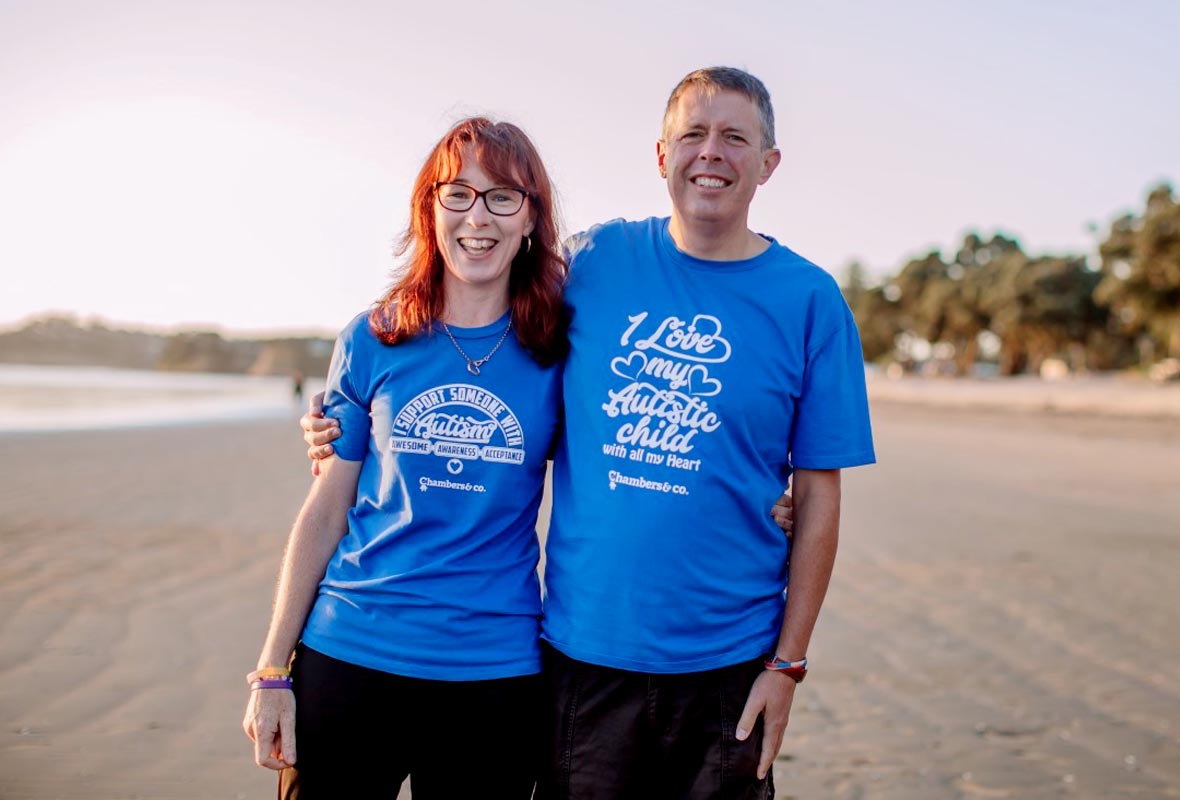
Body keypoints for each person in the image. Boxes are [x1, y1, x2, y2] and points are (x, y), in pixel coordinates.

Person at [305, 67, 875, 799]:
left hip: (731, 664)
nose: (711, 152)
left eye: (735, 137)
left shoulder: (811, 301)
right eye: (693, 134)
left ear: (768, 163)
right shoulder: (591, 263)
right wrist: (349, 418)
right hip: (581, 659)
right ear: (662, 155)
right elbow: (474, 311)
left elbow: (820, 492)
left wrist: (787, 665)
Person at [243, 117, 567, 799]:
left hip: (494, 675)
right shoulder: (374, 337)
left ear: (531, 218)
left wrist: (769, 500)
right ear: (430, 210)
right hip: (350, 655)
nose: (478, 216)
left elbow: (627, 467)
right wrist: (272, 670)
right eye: (458, 194)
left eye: (502, 196)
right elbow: (326, 509)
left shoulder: (561, 353)